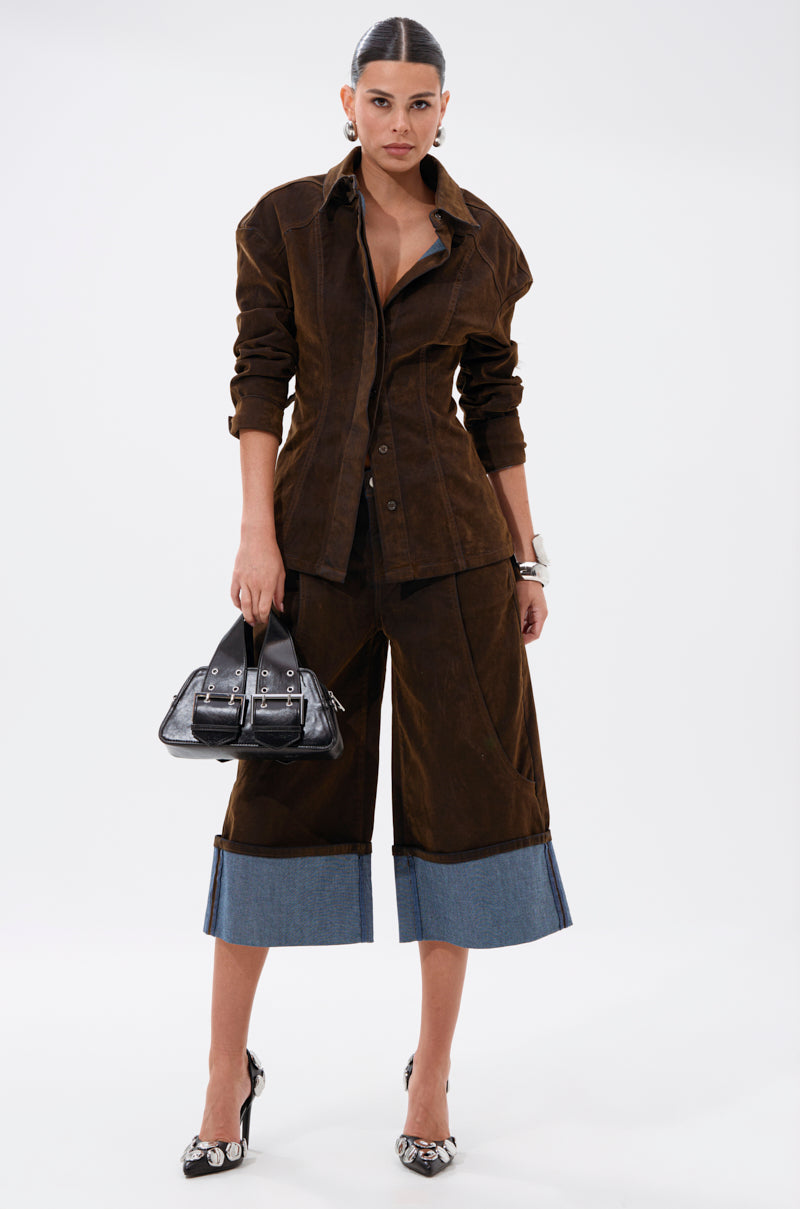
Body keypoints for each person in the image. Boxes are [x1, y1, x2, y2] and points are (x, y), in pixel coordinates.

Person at [180, 15, 572, 1182]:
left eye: (420, 102)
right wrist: (256, 534)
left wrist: (525, 556)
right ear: (344, 103)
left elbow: (494, 409)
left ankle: (433, 1075)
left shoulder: (484, 243)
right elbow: (259, 377)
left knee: (453, 805)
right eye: (380, 100)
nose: (400, 122)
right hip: (314, 555)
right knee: (274, 800)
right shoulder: (285, 224)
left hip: (452, 557)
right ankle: (221, 1075)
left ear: (444, 109)